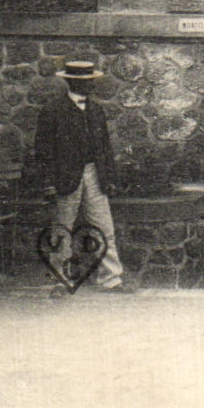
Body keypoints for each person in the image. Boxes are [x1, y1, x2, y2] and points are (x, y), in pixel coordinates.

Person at [32, 60, 130, 294]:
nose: (88, 86)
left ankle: (111, 279)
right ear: (70, 82)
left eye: (90, 81)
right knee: (62, 229)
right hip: (64, 178)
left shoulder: (96, 110)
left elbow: (105, 147)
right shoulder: (53, 111)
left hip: (95, 175)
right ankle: (61, 280)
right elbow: (43, 151)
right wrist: (48, 184)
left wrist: (110, 178)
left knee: (104, 227)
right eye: (83, 82)